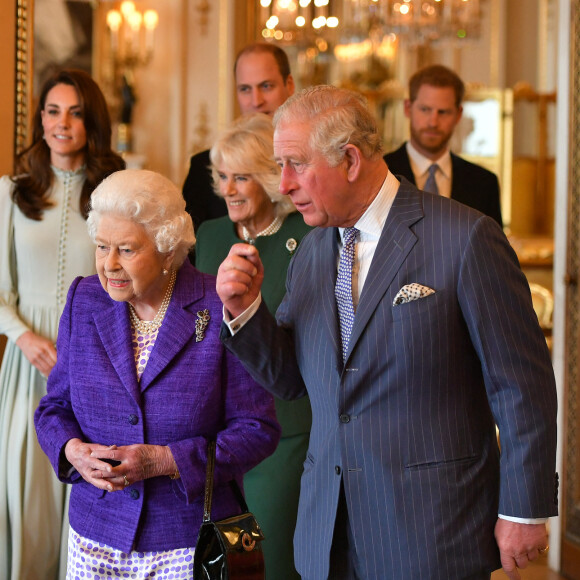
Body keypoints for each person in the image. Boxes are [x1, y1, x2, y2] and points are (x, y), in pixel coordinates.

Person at [215, 86, 558, 580]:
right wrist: (245, 312)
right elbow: (293, 381)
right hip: (326, 532)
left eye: (295, 164)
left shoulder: (466, 238)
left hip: (431, 532)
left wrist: (523, 509)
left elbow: (521, 386)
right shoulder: (310, 252)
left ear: (350, 159)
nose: (283, 184)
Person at [34, 168, 281, 578]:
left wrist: (167, 460)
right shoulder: (84, 299)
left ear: (168, 249)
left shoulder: (216, 304)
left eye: (126, 250)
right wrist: (71, 451)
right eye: (101, 247)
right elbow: (54, 407)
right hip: (95, 538)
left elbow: (258, 428)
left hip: (187, 543)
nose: (108, 265)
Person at [0, 68, 125, 580]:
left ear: (90, 122)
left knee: (82, 492)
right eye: (52, 110)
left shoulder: (113, 196)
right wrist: (23, 336)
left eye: (75, 112)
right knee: (23, 492)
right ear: (40, 120)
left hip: (96, 366)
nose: (61, 123)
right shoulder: (11, 192)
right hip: (27, 366)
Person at [195, 112, 312, 579]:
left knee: (272, 562)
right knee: (230, 565)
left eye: (242, 176)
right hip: (217, 437)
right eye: (223, 176)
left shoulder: (307, 237)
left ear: (269, 176)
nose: (229, 189)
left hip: (283, 433)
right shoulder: (209, 236)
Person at [182, 42, 295, 233]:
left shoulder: (309, 163)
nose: (256, 101)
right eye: (245, 89)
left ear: (289, 85)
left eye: (266, 86)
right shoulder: (203, 168)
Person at [384, 64, 503, 227]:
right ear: (407, 108)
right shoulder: (381, 173)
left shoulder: (484, 183)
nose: (433, 122)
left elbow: (491, 250)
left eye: (443, 112)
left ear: (458, 115)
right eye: (425, 109)